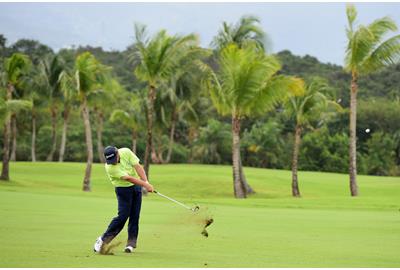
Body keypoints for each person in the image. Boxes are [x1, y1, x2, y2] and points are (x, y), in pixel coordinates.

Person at [93, 146, 154, 253]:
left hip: (136, 187)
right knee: (122, 216)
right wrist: (145, 184)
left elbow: (137, 166)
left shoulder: (126, 152)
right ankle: (103, 240)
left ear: (117, 153)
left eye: (114, 159)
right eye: (110, 161)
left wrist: (146, 182)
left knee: (135, 216)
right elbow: (129, 178)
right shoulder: (110, 167)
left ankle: (131, 243)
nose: (112, 162)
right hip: (123, 190)